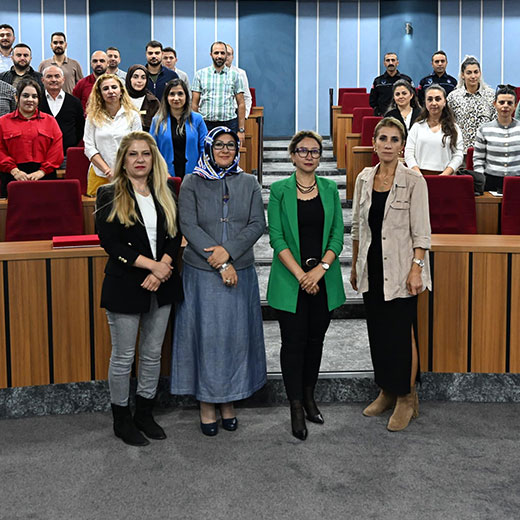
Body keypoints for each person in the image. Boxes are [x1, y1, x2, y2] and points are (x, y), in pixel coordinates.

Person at [172, 126, 267, 436]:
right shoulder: (191, 181)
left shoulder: (249, 182)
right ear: (209, 148)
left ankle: (229, 400)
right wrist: (220, 260)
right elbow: (187, 223)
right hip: (202, 274)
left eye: (231, 145)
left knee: (234, 339)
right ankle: (207, 403)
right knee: (206, 339)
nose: (226, 150)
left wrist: (230, 253)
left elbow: (256, 225)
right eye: (220, 145)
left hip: (241, 272)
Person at [95, 131, 183, 447]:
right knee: (123, 356)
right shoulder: (108, 194)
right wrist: (152, 266)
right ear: (123, 159)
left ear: (153, 157)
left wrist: (163, 269)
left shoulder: (167, 190)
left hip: (162, 282)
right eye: (133, 154)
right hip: (126, 283)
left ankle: (145, 412)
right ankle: (122, 419)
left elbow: (175, 234)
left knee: (151, 353)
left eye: (145, 153)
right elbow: (110, 242)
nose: (140, 160)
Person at [351, 117, 431, 432]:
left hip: (402, 269)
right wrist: (356, 264)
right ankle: (386, 390)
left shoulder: (414, 181)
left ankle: (407, 397)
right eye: (382, 138)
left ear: (402, 145)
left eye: (394, 139)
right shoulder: (363, 178)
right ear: (374, 143)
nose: (387, 144)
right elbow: (358, 226)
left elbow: (422, 233)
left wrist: (416, 269)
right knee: (379, 333)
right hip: (372, 267)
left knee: (401, 335)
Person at [266, 131, 345, 440]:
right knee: (293, 344)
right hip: (291, 280)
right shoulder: (279, 190)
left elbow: (337, 235)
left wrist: (321, 269)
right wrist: (302, 275)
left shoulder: (329, 189)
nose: (309, 155)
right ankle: (295, 406)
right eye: (303, 151)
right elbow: (276, 238)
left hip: (323, 280)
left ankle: (310, 397)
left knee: (316, 342)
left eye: (315, 151)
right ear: (292, 155)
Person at [0, 78, 63, 197]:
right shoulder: (3, 122)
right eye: (25, 95)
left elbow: (56, 151)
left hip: (44, 177)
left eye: (34, 96)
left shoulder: (50, 121)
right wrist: (15, 171)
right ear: (16, 98)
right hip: (13, 177)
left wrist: (42, 172)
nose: (30, 100)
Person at [84, 73, 142, 196]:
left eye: (114, 87)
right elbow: (89, 147)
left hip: (127, 174)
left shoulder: (133, 115)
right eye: (105, 89)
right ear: (100, 94)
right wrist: (107, 171)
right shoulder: (92, 117)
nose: (110, 91)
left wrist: (120, 170)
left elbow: (137, 147)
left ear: (121, 91)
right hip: (100, 174)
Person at [474, 86, 520, 191]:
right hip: (491, 182)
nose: (505, 106)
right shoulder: (483, 129)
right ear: (494, 104)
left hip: (519, 182)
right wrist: (481, 182)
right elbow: (478, 160)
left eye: (509, 103)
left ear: (515, 106)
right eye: (501, 102)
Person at [149, 78, 208, 178]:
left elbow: (205, 149)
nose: (176, 98)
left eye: (180, 94)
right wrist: (162, 172)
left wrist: (199, 171)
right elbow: (153, 149)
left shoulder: (197, 119)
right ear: (166, 97)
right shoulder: (157, 121)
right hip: (165, 176)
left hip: (194, 176)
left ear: (186, 96)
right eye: (172, 94)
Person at [404, 85, 464, 175]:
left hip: (445, 177)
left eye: (438, 99)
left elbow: (458, 154)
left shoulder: (454, 128)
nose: (434, 103)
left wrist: (445, 174)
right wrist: (418, 174)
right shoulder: (417, 127)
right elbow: (409, 153)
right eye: (430, 99)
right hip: (419, 176)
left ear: (444, 102)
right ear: (425, 102)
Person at [191, 41, 247, 133]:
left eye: (222, 53)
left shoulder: (235, 76)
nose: (219, 56)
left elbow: (241, 103)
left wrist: (241, 130)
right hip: (206, 123)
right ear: (211, 54)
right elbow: (194, 104)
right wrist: (195, 126)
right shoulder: (200, 74)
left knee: (228, 148)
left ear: (226, 55)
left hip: (229, 123)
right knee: (205, 147)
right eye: (216, 53)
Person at [446, 56, 494, 149]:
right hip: (460, 151)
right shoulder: (453, 97)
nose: (473, 76)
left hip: (485, 150)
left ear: (480, 73)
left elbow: (496, 123)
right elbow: (448, 123)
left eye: (476, 72)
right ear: (463, 75)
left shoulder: (491, 96)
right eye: (469, 73)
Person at [38, 64, 85, 153]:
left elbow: (81, 128)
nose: (53, 80)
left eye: (57, 76)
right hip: (41, 154)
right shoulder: (37, 101)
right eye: (49, 76)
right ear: (42, 80)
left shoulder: (74, 102)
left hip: (67, 154)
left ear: (63, 80)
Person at [370, 52, 412, 116]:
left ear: (397, 63)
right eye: (388, 60)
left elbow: (413, 97)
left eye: (393, 60)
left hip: (403, 115)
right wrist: (378, 112)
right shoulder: (378, 81)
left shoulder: (406, 80)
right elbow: (372, 101)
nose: (390, 63)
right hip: (383, 115)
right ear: (384, 63)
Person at [124, 64, 162, 130]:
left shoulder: (153, 102)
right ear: (129, 78)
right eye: (135, 77)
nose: (139, 81)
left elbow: (157, 128)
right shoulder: (120, 99)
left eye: (143, 77)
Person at [224, 44, 253, 121]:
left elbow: (247, 97)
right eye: (224, 53)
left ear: (232, 57)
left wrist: (244, 116)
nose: (226, 56)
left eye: (229, 54)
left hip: (235, 114)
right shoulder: (210, 74)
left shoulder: (240, 73)